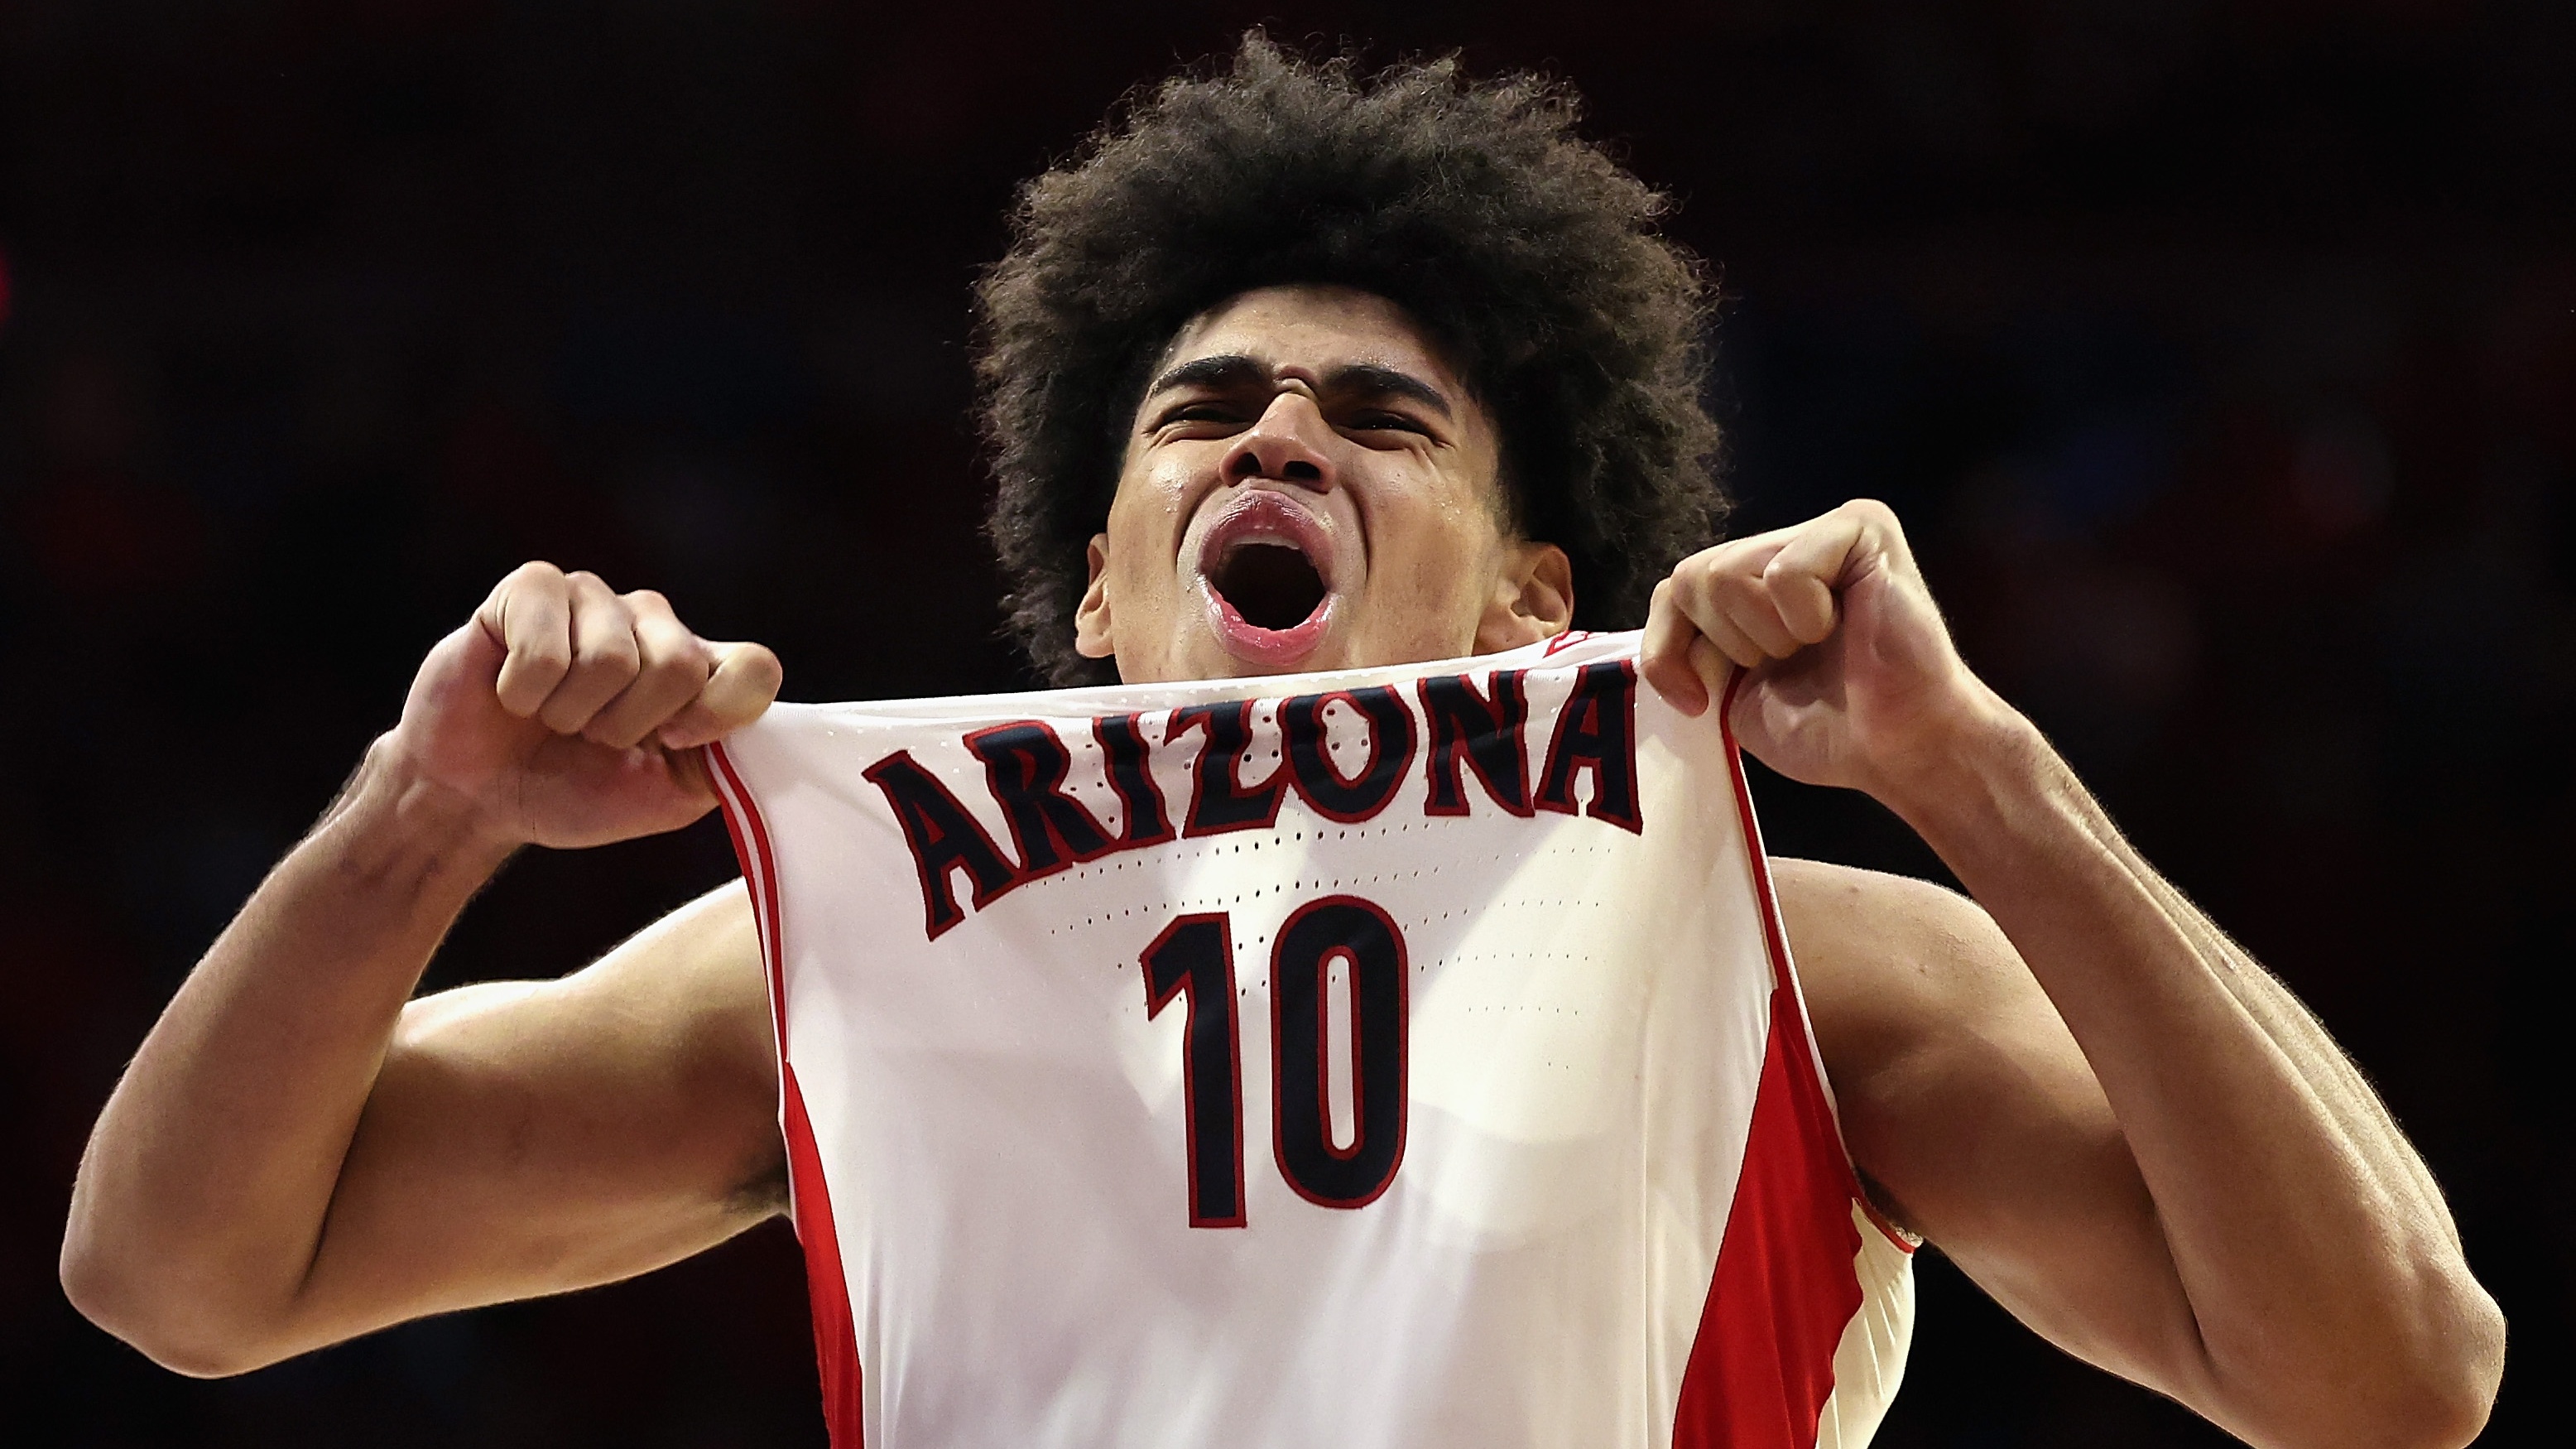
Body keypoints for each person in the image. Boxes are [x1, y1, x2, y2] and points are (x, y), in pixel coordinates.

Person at [60, 36, 2501, 1449]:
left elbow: (2396, 1378)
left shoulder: (1798, 956)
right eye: (1205, 411)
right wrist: (425, 818)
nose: (1277, 444)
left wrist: (1988, 776)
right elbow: (178, 1274)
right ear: (1105, 591)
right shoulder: (862, 961)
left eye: (1383, 420)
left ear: (1540, 595)